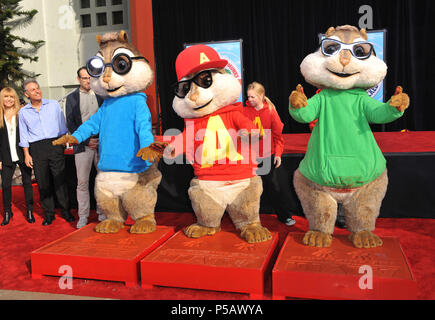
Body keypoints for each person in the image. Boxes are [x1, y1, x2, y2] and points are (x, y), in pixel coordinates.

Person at [19, 79, 75, 226]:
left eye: (38, 88)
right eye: (33, 90)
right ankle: (48, 214)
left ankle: (65, 210)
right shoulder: (23, 112)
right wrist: (26, 154)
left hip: (55, 144)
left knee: (60, 179)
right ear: (26, 94)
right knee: (43, 182)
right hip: (36, 148)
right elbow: (23, 134)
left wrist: (63, 142)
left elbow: (62, 125)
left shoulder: (53, 105)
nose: (37, 91)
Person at [244, 81, 299, 226]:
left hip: (267, 156)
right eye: (248, 97)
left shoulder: (270, 112)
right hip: (250, 158)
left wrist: (278, 155)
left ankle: (284, 215)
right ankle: (249, 219)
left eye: (253, 97)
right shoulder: (244, 111)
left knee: (274, 187)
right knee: (249, 190)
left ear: (262, 96)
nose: (249, 100)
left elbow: (278, 137)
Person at [66, 67, 106, 228]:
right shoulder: (72, 98)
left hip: (101, 145)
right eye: (84, 78)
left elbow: (106, 120)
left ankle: (103, 213)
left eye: (90, 78)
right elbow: (71, 124)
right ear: (78, 80)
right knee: (82, 182)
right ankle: (83, 216)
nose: (87, 81)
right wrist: (87, 141)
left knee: (102, 180)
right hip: (83, 147)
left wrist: (99, 140)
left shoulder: (102, 95)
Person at [0, 87, 34, 226]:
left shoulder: (22, 114)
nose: (9, 99)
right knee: (6, 185)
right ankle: (7, 212)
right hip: (6, 156)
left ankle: (30, 211)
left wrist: (29, 153)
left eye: (11, 97)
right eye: (6, 97)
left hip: (22, 154)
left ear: (15, 99)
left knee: (27, 183)